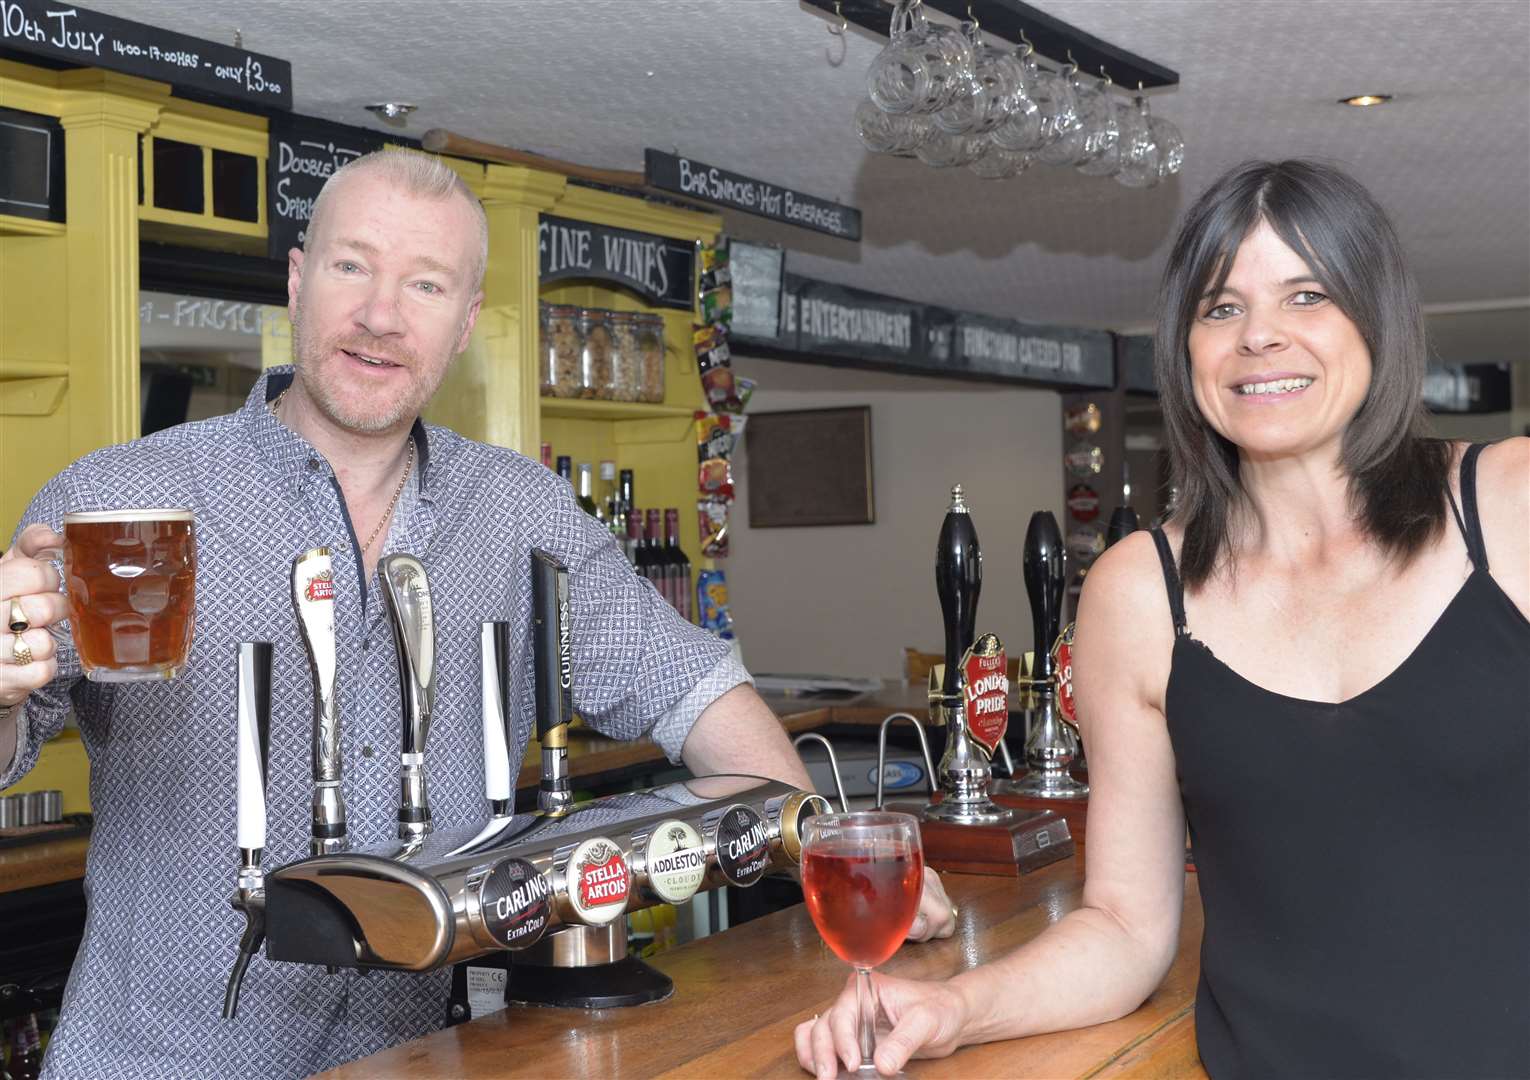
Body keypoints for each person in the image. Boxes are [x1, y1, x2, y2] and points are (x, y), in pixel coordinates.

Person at [0, 149, 955, 1079]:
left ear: (463, 325)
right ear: (296, 281)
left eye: (425, 285)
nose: (379, 315)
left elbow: (694, 692)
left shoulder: (515, 511)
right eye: (350, 267)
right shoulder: (122, 497)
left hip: (415, 1059)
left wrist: (842, 862)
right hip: (157, 1062)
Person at [796, 159, 1529, 1079]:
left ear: (1377, 320)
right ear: (1185, 349)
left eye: (1307, 295)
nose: (1259, 336)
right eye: (1221, 309)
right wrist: (951, 1007)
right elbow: (1127, 928)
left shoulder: (1508, 507)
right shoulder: (1139, 593)